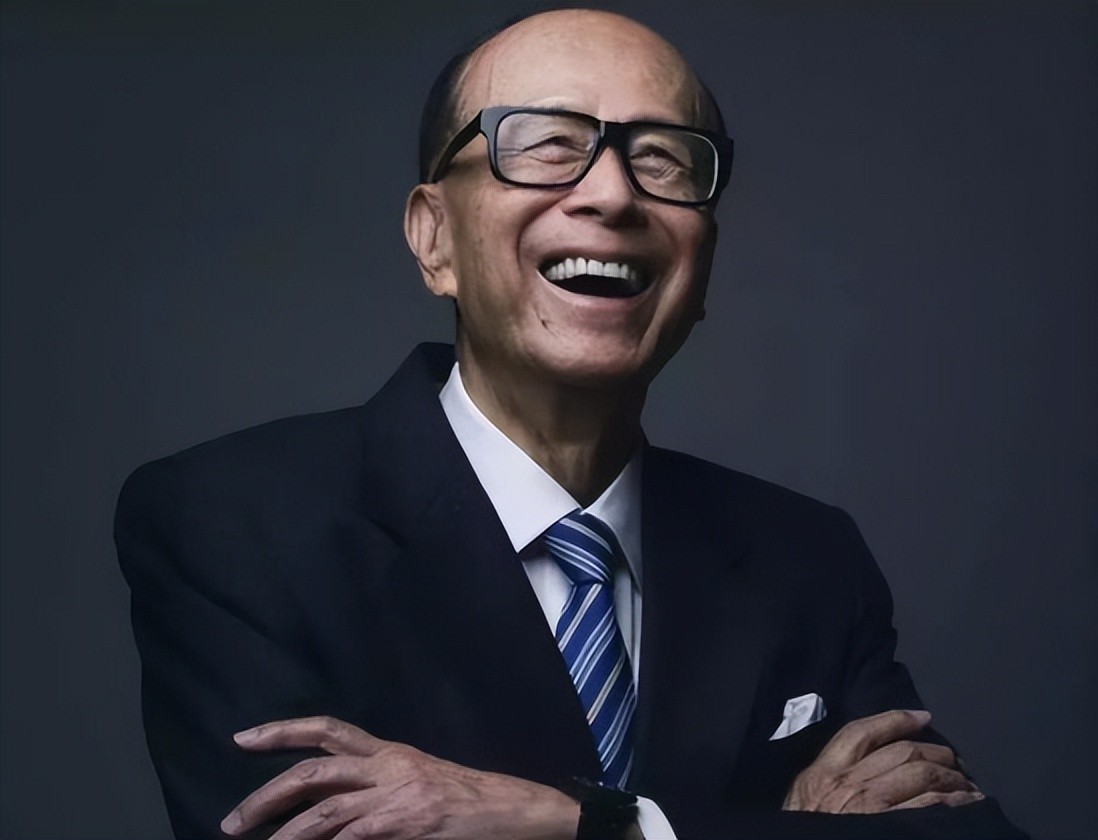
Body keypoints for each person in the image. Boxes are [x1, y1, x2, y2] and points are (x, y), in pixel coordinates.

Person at [115, 9, 1026, 840]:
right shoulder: (234, 522)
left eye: (663, 159)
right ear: (434, 238)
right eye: (549, 144)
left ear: (704, 261)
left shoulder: (810, 562)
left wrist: (590, 824)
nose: (613, 195)